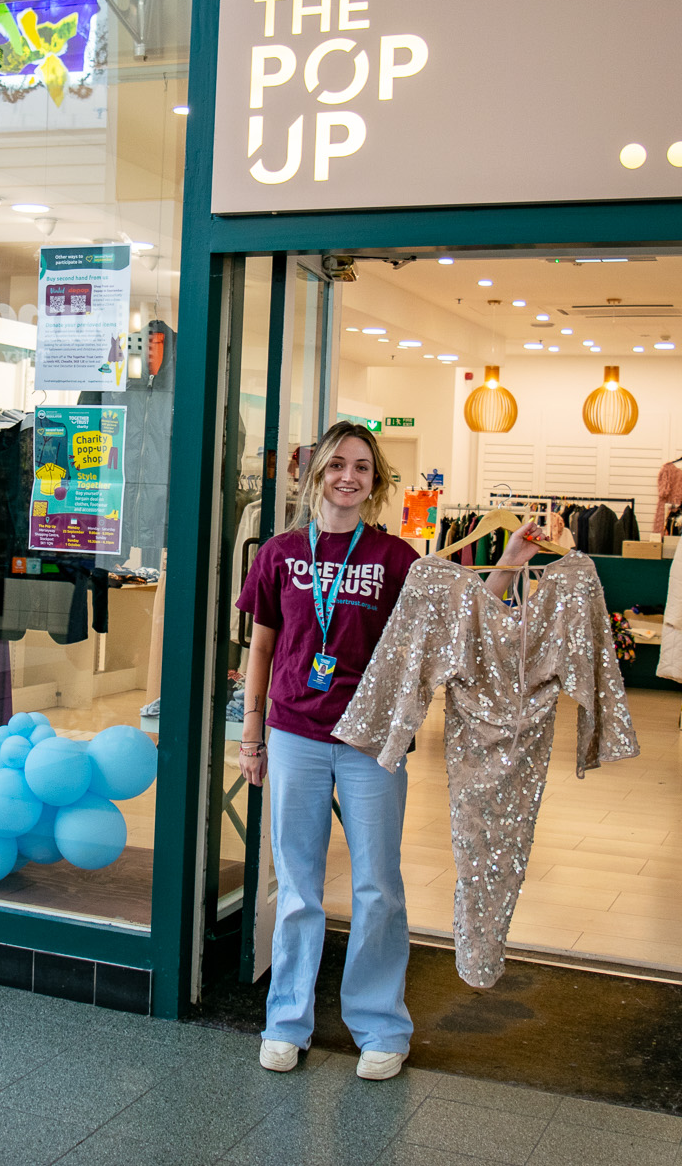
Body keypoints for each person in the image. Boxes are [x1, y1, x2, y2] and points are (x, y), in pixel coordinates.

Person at [235, 420, 542, 1080]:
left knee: (377, 886)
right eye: (338, 464)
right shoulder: (280, 552)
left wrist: (510, 561)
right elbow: (260, 646)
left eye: (363, 468)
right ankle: (286, 1019)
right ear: (316, 474)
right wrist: (251, 733)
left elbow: (465, 622)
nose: (349, 476)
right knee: (296, 887)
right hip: (294, 733)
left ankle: (379, 1025)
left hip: (373, 740)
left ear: (374, 483)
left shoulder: (394, 557)